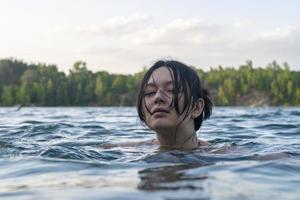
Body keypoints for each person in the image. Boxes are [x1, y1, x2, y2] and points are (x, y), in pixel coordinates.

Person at [136, 60, 212, 150]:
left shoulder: (223, 154)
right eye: (150, 92)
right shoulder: (123, 150)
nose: (158, 97)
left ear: (197, 108)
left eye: (172, 90)